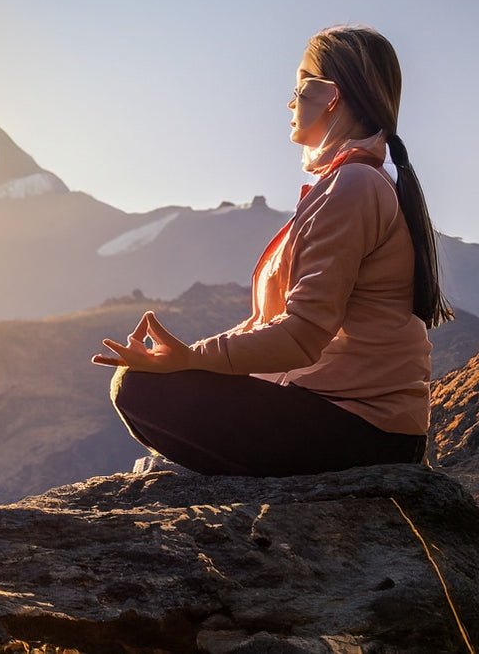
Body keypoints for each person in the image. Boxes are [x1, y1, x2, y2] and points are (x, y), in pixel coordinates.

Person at [92, 25, 451, 476]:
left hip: (364, 432)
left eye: (301, 86)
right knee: (149, 379)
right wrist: (185, 358)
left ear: (331, 95)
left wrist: (193, 360)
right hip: (359, 424)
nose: (290, 101)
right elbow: (274, 324)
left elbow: (301, 337)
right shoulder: (349, 183)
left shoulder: (354, 186)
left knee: (138, 388)